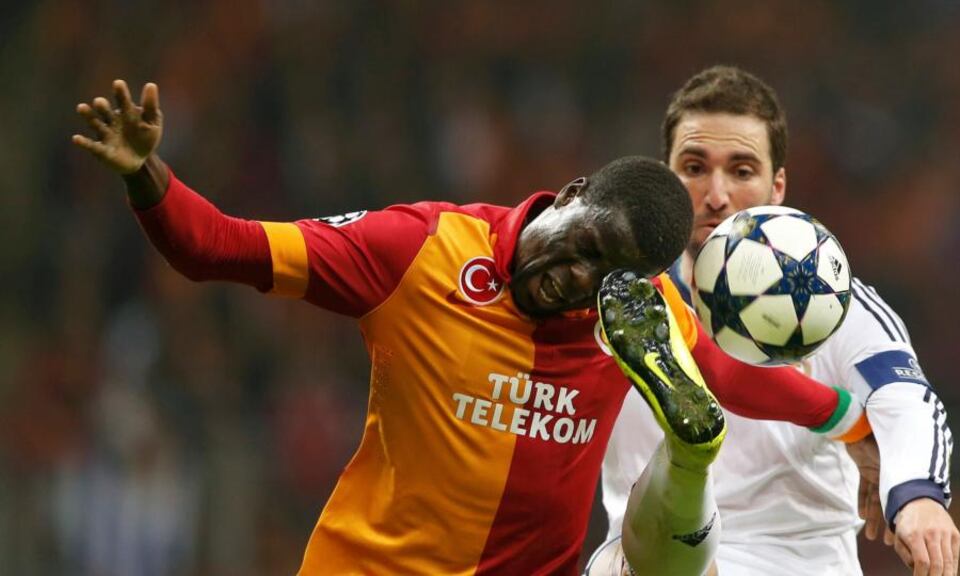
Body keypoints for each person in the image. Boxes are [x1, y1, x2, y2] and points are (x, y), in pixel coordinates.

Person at [73, 79, 868, 574]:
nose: (574, 280)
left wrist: (853, 422)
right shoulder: (418, 249)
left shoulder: (632, 315)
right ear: (569, 193)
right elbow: (220, 247)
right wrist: (147, 173)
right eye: (582, 247)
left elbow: (731, 379)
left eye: (603, 278)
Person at [597, 65, 960, 575]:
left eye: (742, 171)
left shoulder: (831, 299)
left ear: (777, 188)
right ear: (665, 179)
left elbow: (904, 397)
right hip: (647, 561)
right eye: (694, 167)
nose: (717, 195)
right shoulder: (616, 301)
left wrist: (919, 495)